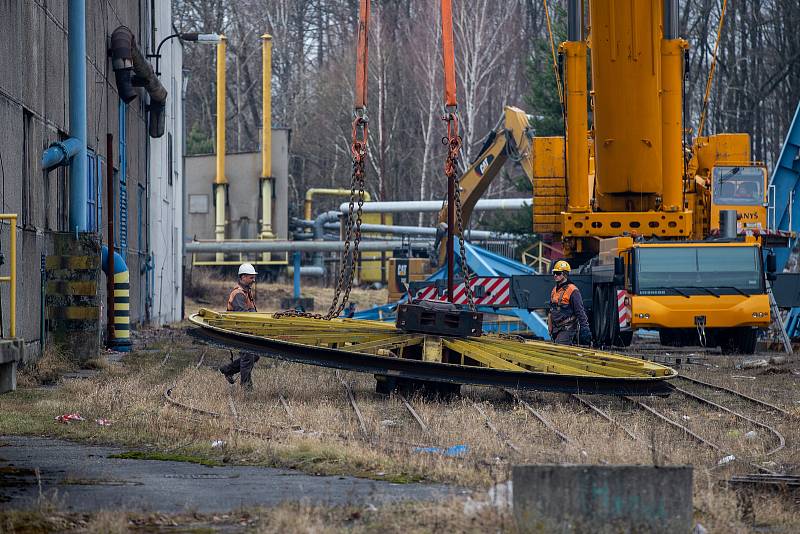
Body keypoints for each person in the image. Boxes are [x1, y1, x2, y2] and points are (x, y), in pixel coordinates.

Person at [219, 263, 260, 390]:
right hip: (239, 330)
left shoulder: (246, 292)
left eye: (254, 277)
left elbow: (251, 311)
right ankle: (246, 388)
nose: (253, 280)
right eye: (251, 278)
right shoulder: (238, 294)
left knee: (255, 356)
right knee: (248, 357)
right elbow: (243, 315)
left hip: (246, 330)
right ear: (243, 277)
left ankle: (227, 369)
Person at [548, 260, 592, 346]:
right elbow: (551, 310)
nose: (555, 275)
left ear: (565, 274)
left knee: (559, 352)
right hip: (555, 329)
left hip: (567, 328)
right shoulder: (554, 290)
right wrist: (550, 326)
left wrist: (585, 328)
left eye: (558, 273)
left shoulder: (573, 290)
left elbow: (580, 311)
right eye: (554, 273)